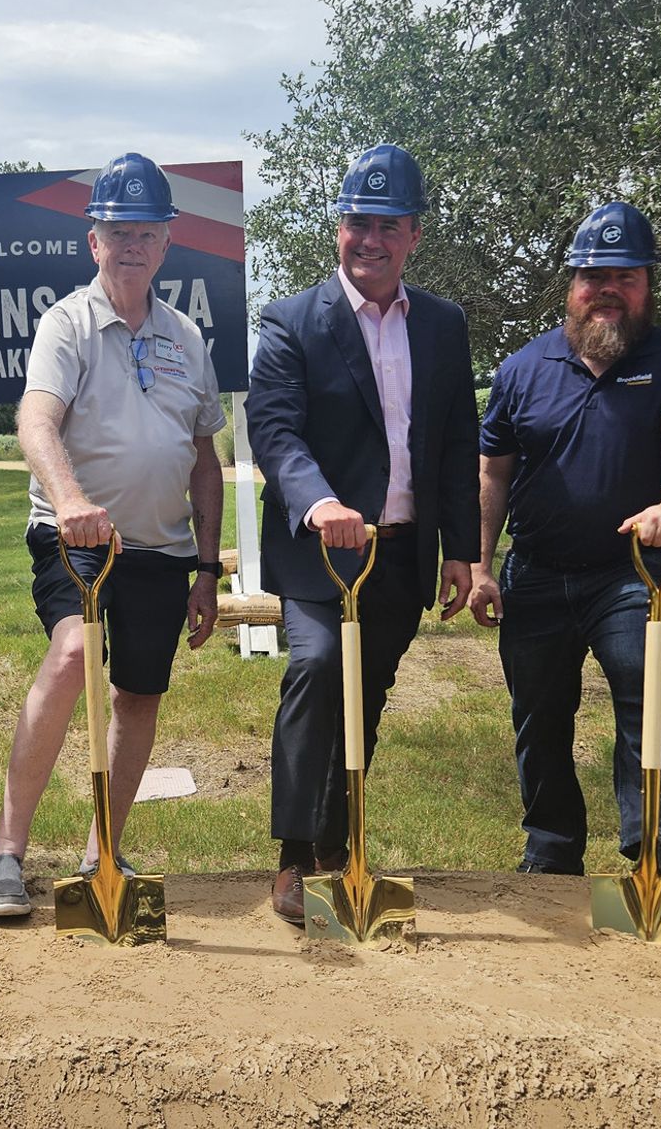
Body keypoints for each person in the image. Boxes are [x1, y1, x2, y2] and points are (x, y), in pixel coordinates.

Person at [0, 152, 225, 918]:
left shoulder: (187, 336)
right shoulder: (68, 323)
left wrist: (209, 568)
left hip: (161, 549)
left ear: (165, 243)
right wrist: (72, 497)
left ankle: (100, 853)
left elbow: (205, 461)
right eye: (117, 232)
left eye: (145, 233)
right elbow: (36, 420)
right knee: (75, 653)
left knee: (139, 696)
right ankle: (5, 852)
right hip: (75, 538)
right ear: (93, 241)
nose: (131, 246)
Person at [246, 144, 479, 926]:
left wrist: (464, 551)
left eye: (386, 225)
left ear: (413, 234)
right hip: (321, 552)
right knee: (316, 670)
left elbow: (453, 442)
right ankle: (292, 853)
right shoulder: (290, 321)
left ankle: (342, 845)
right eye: (354, 222)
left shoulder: (444, 325)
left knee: (367, 693)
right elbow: (276, 433)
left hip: (401, 551)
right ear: (337, 229)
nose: (367, 238)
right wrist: (317, 503)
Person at [468, 201, 661, 883]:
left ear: (648, 285)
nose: (608, 289)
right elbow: (493, 471)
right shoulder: (521, 369)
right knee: (539, 715)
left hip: (632, 572)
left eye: (626, 276)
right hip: (537, 574)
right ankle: (551, 849)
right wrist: (480, 564)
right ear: (571, 286)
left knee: (644, 692)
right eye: (593, 276)